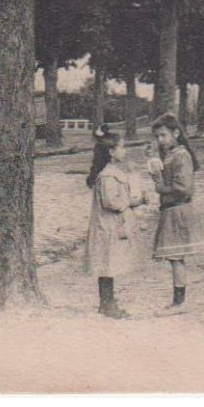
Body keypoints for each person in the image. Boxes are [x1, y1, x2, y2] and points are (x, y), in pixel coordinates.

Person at [85, 125, 149, 319]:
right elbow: (111, 201)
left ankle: (108, 302)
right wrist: (134, 201)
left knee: (109, 263)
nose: (124, 151)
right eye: (121, 147)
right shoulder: (107, 176)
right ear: (112, 152)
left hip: (110, 225)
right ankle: (107, 304)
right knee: (107, 263)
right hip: (107, 226)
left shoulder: (112, 173)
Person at [148, 112, 204, 313]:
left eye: (163, 135)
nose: (160, 140)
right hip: (171, 209)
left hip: (178, 210)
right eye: (157, 137)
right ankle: (178, 300)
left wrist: (161, 187)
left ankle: (180, 302)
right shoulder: (172, 155)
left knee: (176, 257)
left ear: (176, 133)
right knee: (175, 258)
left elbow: (184, 188)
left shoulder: (181, 155)